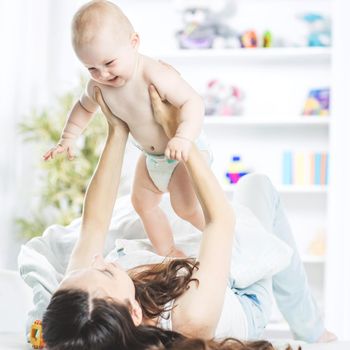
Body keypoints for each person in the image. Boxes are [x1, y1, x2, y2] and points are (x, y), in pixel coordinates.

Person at [40, 85, 335, 350]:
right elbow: (220, 220)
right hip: (242, 298)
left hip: (178, 285)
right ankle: (311, 330)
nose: (98, 259)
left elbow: (94, 222)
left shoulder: (80, 306)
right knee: (256, 186)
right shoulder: (192, 315)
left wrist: (117, 129)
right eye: (105, 271)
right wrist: (179, 134)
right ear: (134, 312)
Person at [43, 0, 211, 258]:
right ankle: (168, 250)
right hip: (151, 157)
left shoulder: (153, 74)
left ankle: (218, 235)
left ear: (133, 43)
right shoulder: (97, 86)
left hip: (182, 153)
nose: (102, 74)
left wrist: (183, 137)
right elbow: (83, 108)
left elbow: (193, 102)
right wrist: (68, 138)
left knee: (184, 208)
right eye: (91, 68)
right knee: (142, 203)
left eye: (109, 62)